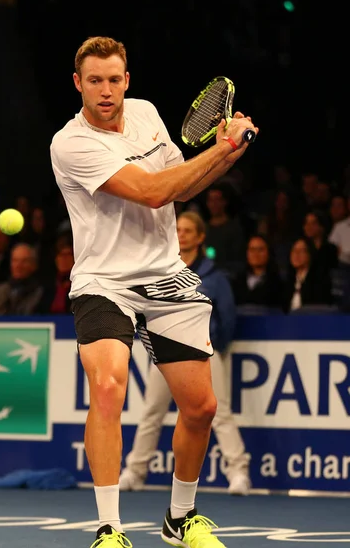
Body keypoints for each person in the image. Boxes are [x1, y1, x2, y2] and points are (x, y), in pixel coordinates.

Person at [50, 36, 258, 548]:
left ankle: (180, 518)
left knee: (202, 407)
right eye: (94, 80)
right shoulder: (70, 142)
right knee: (107, 389)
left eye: (114, 79)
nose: (105, 90)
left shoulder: (145, 113)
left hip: (164, 274)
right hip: (104, 282)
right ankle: (109, 529)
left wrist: (232, 152)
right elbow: (151, 191)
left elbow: (182, 187)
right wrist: (220, 146)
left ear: (127, 80)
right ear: (78, 83)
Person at [119, 211, 251, 495]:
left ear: (201, 237)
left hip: (206, 352)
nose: (182, 234)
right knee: (152, 411)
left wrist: (213, 346)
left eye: (189, 230)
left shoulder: (216, 277)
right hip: (166, 352)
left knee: (220, 413)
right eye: (178, 228)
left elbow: (227, 319)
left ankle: (238, 472)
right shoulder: (162, 270)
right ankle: (135, 472)